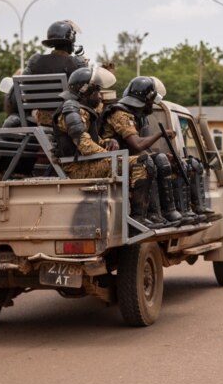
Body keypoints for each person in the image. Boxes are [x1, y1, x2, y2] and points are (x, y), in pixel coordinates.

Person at [99, 76, 186, 228]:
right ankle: (141, 215)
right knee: (147, 163)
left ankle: (163, 212)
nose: (152, 104)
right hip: (110, 161)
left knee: (162, 160)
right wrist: (161, 134)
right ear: (146, 100)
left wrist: (163, 156)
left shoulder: (137, 115)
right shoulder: (121, 114)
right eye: (151, 101)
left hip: (125, 158)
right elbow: (137, 144)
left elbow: (139, 147)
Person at [52, 66, 119, 179]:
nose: (99, 96)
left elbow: (90, 140)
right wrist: (112, 156)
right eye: (97, 91)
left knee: (149, 161)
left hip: (87, 163)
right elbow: (86, 146)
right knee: (141, 164)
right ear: (85, 90)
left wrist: (107, 142)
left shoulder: (81, 110)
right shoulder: (71, 110)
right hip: (77, 167)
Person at [25, 20, 88, 125]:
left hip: (39, 118)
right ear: (71, 42)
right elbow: (84, 92)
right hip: (66, 119)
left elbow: (25, 87)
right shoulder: (77, 62)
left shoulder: (34, 61)